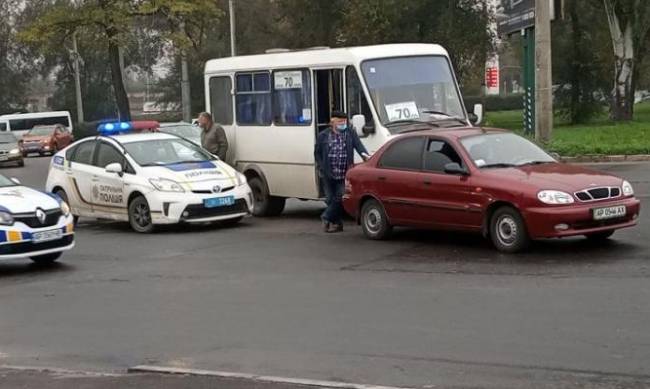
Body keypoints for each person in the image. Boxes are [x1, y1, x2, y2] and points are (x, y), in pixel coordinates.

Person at [314, 111, 370, 233]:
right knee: (329, 199)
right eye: (340, 122)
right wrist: (321, 166)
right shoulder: (323, 135)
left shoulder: (350, 133)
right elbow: (317, 153)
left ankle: (326, 216)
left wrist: (366, 157)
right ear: (332, 122)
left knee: (340, 197)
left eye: (344, 121)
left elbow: (359, 146)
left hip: (344, 173)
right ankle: (337, 224)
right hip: (328, 173)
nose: (343, 124)